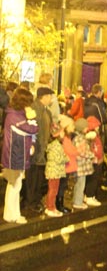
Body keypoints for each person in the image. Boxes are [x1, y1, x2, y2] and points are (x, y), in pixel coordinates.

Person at [1, 87, 38, 223]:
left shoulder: (15, 114)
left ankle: (12, 214)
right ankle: (12, 215)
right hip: (14, 155)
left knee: (15, 185)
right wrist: (32, 118)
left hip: (17, 154)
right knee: (14, 185)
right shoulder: (15, 116)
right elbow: (32, 129)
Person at [25, 86, 54, 213]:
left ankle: (35, 200)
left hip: (42, 149)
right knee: (33, 177)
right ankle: (31, 202)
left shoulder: (46, 111)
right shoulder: (34, 109)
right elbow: (33, 131)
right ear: (44, 97)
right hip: (36, 149)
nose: (51, 99)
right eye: (50, 96)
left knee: (39, 177)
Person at [44, 122, 69, 217]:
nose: (63, 134)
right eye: (62, 132)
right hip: (54, 172)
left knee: (53, 190)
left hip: (55, 171)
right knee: (53, 190)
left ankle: (51, 206)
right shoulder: (56, 146)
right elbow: (58, 158)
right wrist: (66, 158)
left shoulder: (55, 144)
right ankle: (50, 208)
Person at [71, 118, 95, 211]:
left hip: (79, 165)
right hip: (81, 165)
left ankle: (77, 200)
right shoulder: (80, 138)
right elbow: (82, 152)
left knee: (79, 183)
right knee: (80, 184)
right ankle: (78, 202)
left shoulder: (78, 137)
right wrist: (91, 155)